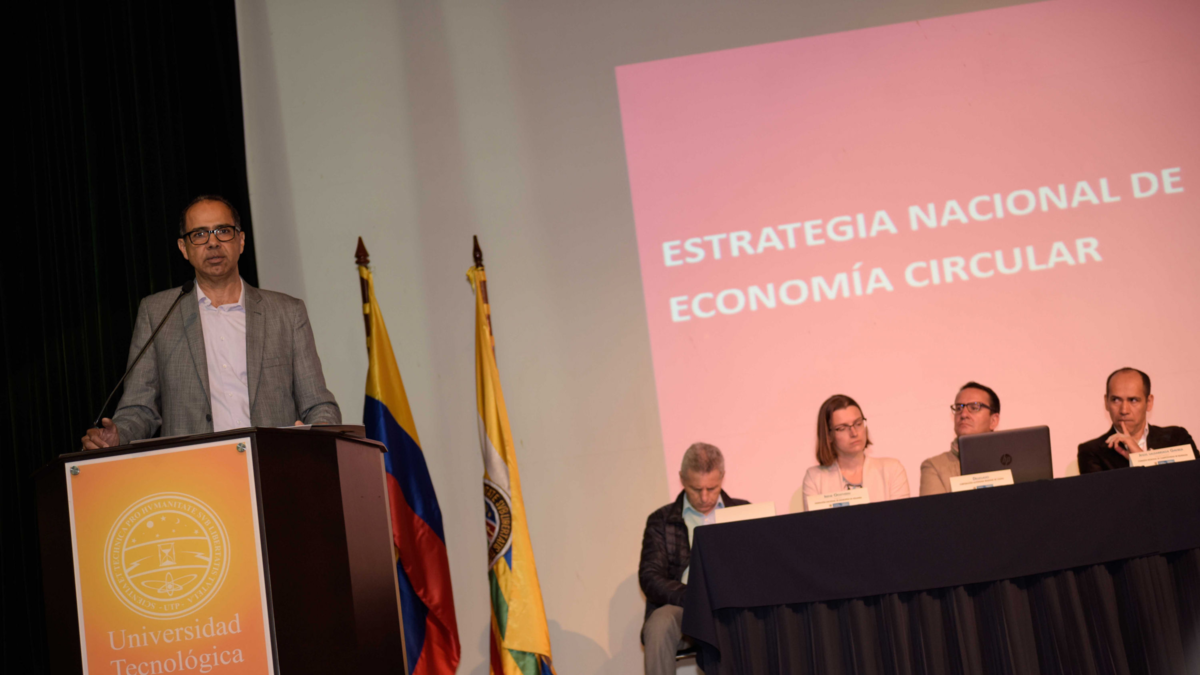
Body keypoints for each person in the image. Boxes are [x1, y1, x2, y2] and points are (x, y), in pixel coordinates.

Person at [81, 195, 340, 449]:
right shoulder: (157, 313)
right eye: (200, 234)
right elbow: (140, 409)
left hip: (271, 462)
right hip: (195, 469)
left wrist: (315, 435)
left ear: (241, 241)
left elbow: (319, 405)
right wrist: (118, 435)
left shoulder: (287, 312)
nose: (213, 243)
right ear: (184, 248)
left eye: (223, 231)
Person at [639, 442, 747, 675]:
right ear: (681, 479)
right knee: (659, 623)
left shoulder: (744, 512)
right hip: (684, 607)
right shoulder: (661, 520)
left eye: (712, 488)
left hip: (733, 609)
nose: (705, 497)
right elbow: (650, 577)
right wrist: (694, 597)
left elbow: (761, 569)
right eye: (696, 489)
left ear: (723, 477)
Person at [1077, 368, 1197, 473]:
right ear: (1106, 402)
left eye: (1133, 400)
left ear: (1149, 402)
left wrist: (1140, 458)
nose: (1124, 410)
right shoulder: (1092, 452)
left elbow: (1194, 482)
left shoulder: (1177, 438)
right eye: (1116, 400)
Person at [800, 394, 908, 510]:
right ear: (828, 435)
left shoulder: (892, 470)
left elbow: (900, 518)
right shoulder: (815, 478)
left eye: (858, 423)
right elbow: (817, 522)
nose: (854, 433)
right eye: (842, 428)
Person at [919, 382, 1001, 495]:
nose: (963, 414)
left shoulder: (1010, 460)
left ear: (993, 420)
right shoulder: (935, 466)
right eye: (959, 408)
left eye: (974, 407)